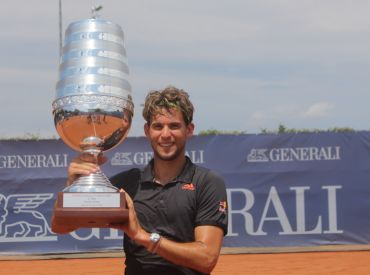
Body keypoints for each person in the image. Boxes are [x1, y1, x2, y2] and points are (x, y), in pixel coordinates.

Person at [62, 86, 228, 275]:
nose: (165, 134)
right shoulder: (128, 182)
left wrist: (143, 237)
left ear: (189, 130)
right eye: (158, 126)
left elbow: (206, 259)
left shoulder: (207, 182)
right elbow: (61, 226)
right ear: (147, 131)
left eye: (174, 126)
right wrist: (73, 187)